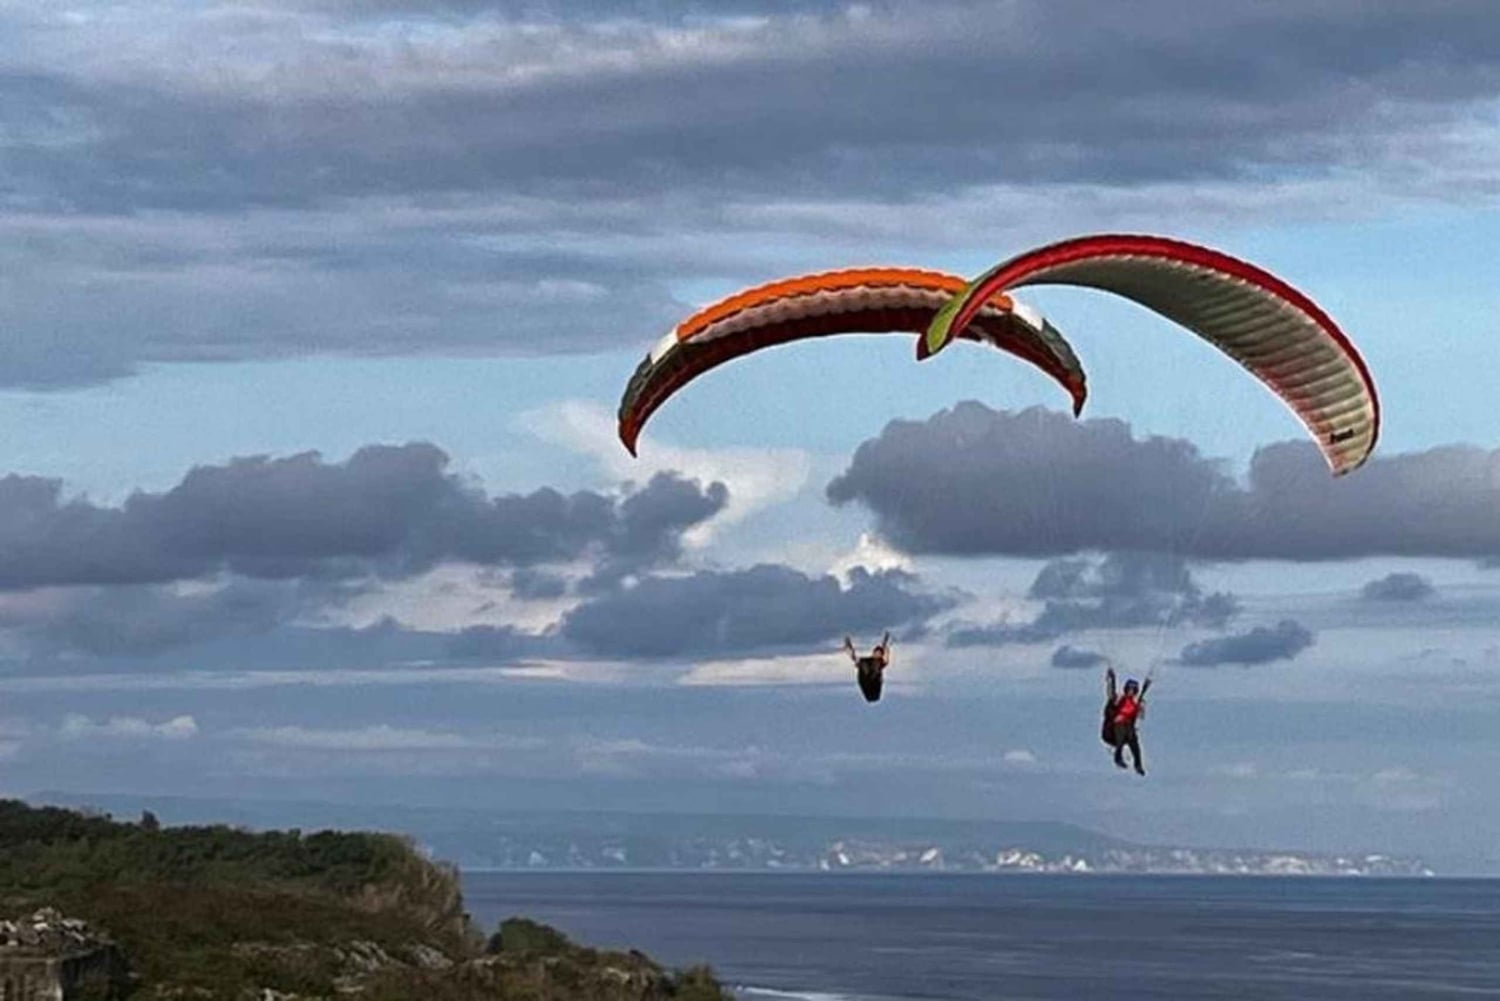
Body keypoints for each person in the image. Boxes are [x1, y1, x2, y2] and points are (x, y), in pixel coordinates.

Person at [1101, 666, 1151, 775]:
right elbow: (1111, 694)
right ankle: (1118, 757)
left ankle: (1138, 764)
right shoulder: (1118, 700)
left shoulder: (1135, 704)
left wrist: (1148, 683)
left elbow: (1140, 713)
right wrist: (1112, 679)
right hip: (1111, 732)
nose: (1131, 692)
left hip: (1127, 733)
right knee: (1122, 725)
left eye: (1133, 690)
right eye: (1129, 689)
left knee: (1133, 739)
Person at [843, 633, 891, 703]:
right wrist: (848, 647)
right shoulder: (865, 661)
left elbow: (886, 659)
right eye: (877, 653)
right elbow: (854, 658)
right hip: (866, 681)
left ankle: (873, 694)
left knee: (877, 664)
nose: (878, 655)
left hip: (874, 683)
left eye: (879, 654)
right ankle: (871, 693)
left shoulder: (880, 662)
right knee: (864, 663)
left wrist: (886, 647)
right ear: (873, 653)